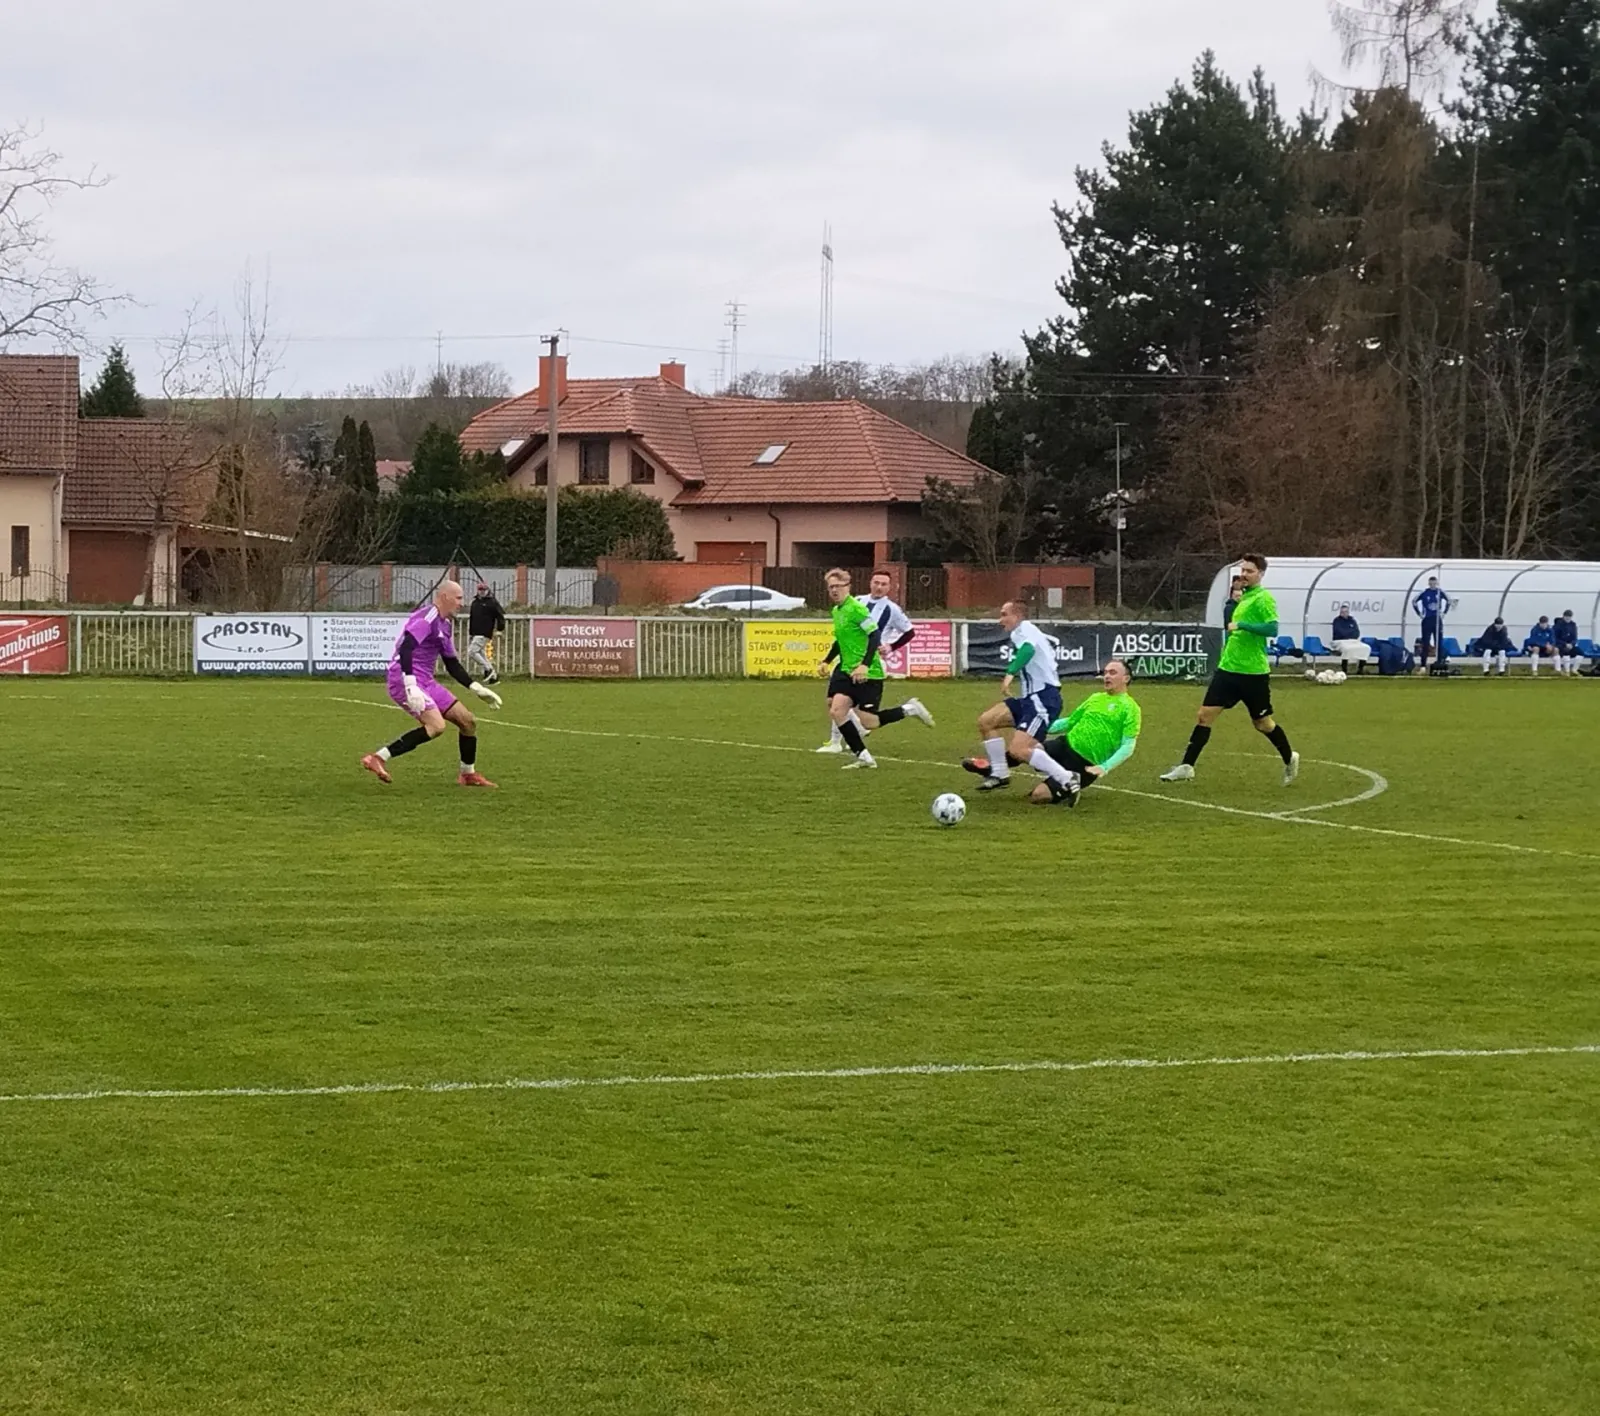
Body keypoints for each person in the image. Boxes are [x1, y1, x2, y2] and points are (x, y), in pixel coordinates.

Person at [1160, 553, 1299, 785]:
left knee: (1263, 724)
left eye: (1249, 571)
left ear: (1261, 574)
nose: (1244, 574)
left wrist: (1242, 624)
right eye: (1243, 570)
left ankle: (1289, 757)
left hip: (1253, 673)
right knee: (1204, 716)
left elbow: (1272, 629)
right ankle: (1187, 766)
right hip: (1228, 669)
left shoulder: (1263, 598)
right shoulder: (1243, 597)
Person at [361, 579, 502, 786]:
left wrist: (475, 687)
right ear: (445, 597)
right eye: (458, 598)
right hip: (403, 677)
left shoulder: (445, 624)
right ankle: (378, 757)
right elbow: (406, 648)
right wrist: (410, 685)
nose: (462, 603)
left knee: (467, 721)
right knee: (436, 726)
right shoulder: (427, 617)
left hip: (426, 680)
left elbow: (451, 663)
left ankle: (467, 774)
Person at [816, 568, 933, 770]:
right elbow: (841, 640)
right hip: (847, 669)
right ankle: (862, 756)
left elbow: (875, 635)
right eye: (831, 587)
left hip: (869, 670)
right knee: (836, 709)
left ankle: (908, 709)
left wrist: (866, 664)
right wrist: (826, 661)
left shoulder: (860, 609)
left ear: (847, 587)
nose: (834, 590)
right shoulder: (839, 610)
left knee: (869, 722)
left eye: (838, 586)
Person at [961, 600, 1063, 792]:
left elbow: (1028, 650)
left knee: (1020, 750)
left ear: (1017, 616)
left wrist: (1010, 674)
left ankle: (1066, 777)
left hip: (1043, 698)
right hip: (1030, 699)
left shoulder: (1024, 628)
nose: (1000, 620)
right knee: (986, 721)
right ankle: (1000, 774)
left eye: (1004, 614)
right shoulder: (1023, 632)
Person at [1026, 659, 1141, 808]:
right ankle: (998, 772)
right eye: (1105, 673)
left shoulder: (1131, 708)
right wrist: (1040, 727)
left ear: (1126, 678)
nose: (1107, 676)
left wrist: (1104, 767)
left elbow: (1128, 745)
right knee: (1025, 749)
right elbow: (1070, 722)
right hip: (1065, 746)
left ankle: (1069, 783)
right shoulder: (1095, 698)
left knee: (1038, 795)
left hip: (1084, 764)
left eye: (1112, 673)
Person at [466, 579, 506, 684]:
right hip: (475, 632)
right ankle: (494, 678)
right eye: (480, 589)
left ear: (487, 590)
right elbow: (472, 618)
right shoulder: (475, 603)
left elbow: (500, 615)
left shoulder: (492, 602)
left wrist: (500, 628)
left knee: (472, 652)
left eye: (484, 589)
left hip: (485, 632)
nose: (482, 591)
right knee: (481, 654)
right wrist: (471, 633)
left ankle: (488, 670)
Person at [1413, 576, 1453, 670]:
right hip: (1427, 620)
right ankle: (1423, 665)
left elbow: (1449, 600)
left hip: (1437, 620)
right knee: (1425, 643)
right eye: (1431, 583)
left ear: (1436, 583)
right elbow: (1414, 601)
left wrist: (1444, 613)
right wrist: (1419, 613)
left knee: (1438, 642)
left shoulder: (1440, 592)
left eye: (1434, 583)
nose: (1432, 585)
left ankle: (1439, 662)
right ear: (1429, 583)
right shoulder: (1424, 592)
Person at [1330, 604, 1369, 674]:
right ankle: (1344, 669)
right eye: (1342, 612)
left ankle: (1360, 669)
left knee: (1366, 648)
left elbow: (1357, 632)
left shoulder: (1352, 620)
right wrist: (1350, 633)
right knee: (1346, 649)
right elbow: (1340, 632)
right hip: (1340, 641)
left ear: (1348, 612)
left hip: (1353, 641)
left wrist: (1349, 634)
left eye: (1346, 612)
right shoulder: (1337, 621)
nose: (1344, 613)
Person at [1553, 609, 1580, 676]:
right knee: (1566, 652)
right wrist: (1565, 644)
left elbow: (1575, 637)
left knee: (1581, 653)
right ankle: (1567, 671)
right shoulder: (1558, 625)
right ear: (1563, 616)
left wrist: (1572, 644)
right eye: (1566, 616)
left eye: (1569, 616)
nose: (1568, 618)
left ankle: (1574, 670)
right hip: (1560, 645)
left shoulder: (1573, 625)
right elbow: (1555, 638)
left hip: (1571, 645)